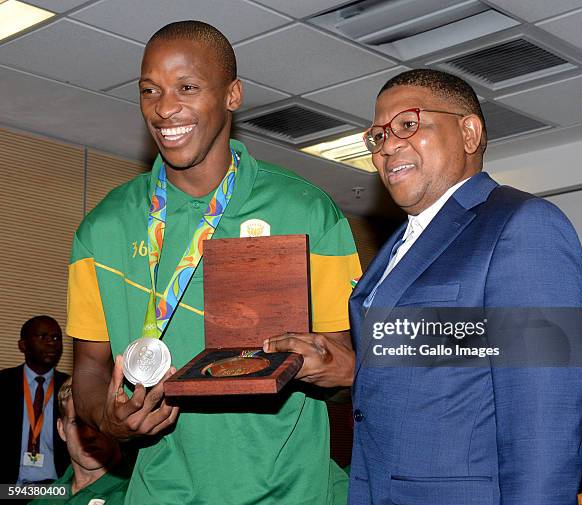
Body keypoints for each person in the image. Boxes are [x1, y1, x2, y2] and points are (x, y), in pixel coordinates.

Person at [67, 20, 361, 505]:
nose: (164, 108)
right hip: (160, 494)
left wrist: (339, 369)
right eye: (150, 91)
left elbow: (340, 370)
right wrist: (108, 419)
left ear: (232, 95)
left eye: (187, 87)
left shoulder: (307, 212)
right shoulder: (103, 230)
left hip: (291, 494)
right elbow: (91, 368)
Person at [266, 69, 582, 504]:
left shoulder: (522, 226)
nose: (387, 147)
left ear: (469, 132)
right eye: (377, 136)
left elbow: (542, 422)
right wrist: (341, 367)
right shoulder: (400, 246)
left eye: (408, 124)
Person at [29, 377, 129, 505]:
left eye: (98, 422)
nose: (88, 434)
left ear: (117, 426)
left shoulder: (135, 494)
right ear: (61, 429)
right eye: (78, 422)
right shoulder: (48, 496)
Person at [0, 315, 70, 485]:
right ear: (22, 345)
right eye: (42, 336)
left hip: (56, 489)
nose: (52, 342)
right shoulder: (3, 383)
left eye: (56, 337)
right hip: (9, 489)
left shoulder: (71, 387)